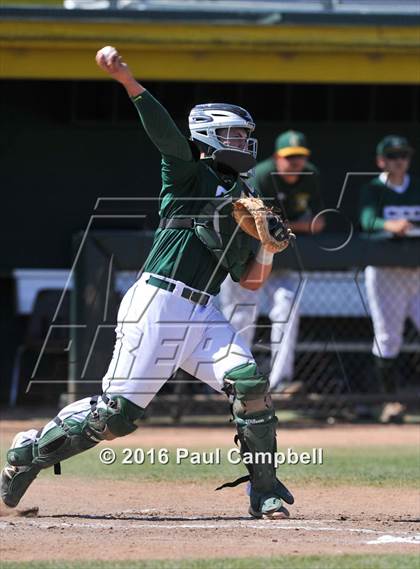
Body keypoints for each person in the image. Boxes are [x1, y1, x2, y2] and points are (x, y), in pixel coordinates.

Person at [1, 46, 294, 519]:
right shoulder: (187, 174)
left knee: (250, 385)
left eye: (245, 136)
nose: (245, 144)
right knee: (115, 417)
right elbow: (166, 136)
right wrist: (128, 81)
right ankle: (26, 456)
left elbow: (252, 282)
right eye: (235, 136)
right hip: (157, 304)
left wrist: (267, 246)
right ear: (208, 137)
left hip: (202, 314)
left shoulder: (246, 196)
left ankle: (265, 491)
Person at [219, 131, 324, 391]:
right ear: (278, 158)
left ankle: (280, 381)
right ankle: (228, 378)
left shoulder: (310, 176)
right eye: (290, 158)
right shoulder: (262, 175)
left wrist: (282, 227)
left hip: (282, 259)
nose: (295, 163)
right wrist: (287, 227)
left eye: (299, 157)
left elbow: (319, 222)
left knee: (288, 309)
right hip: (249, 257)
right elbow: (255, 222)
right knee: (240, 316)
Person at [359, 135, 420, 423]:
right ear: (381, 160)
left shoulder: (416, 186)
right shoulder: (373, 189)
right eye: (392, 156)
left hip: (417, 270)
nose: (399, 161)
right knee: (387, 337)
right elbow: (368, 220)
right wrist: (388, 225)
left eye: (403, 156)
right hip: (386, 272)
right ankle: (389, 401)